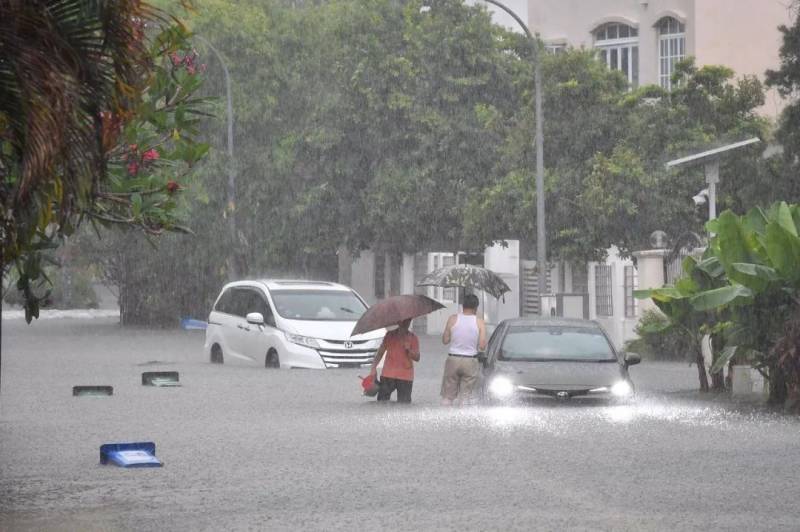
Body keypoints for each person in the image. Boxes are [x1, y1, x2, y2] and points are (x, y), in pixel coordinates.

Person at [441, 294, 487, 406]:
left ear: (462, 305)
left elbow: (445, 340)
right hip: (470, 361)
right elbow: (482, 346)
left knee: (447, 397)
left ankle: (444, 418)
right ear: (476, 307)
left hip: (453, 359)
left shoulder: (452, 319)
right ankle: (462, 420)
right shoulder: (480, 322)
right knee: (465, 398)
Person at [369, 318, 420, 403]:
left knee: (404, 405)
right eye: (404, 321)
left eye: (408, 321)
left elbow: (417, 358)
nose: (406, 323)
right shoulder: (389, 335)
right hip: (388, 375)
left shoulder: (413, 338)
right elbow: (380, 353)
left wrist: (409, 351)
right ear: (398, 322)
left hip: (405, 376)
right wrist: (373, 368)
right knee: (382, 402)